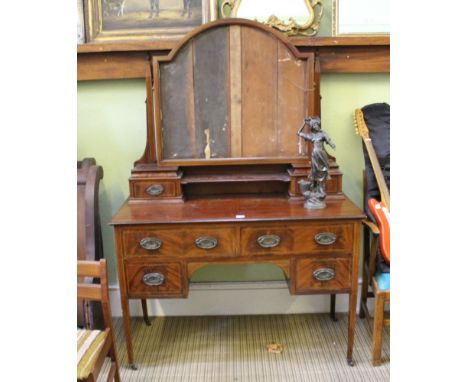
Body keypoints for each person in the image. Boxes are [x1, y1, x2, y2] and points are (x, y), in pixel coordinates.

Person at [297, 116, 336, 200]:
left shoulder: (323, 134)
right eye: (314, 125)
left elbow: (329, 141)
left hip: (322, 154)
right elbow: (298, 132)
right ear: (312, 127)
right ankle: (315, 189)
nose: (316, 126)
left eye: (317, 125)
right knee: (315, 172)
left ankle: (321, 189)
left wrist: (332, 145)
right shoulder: (311, 136)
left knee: (323, 172)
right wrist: (304, 123)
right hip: (315, 155)